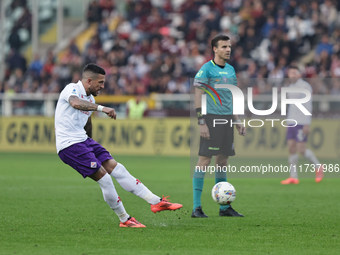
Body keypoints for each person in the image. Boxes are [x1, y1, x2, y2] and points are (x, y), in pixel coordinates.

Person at [55, 63, 182, 228]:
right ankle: (125, 219)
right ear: (88, 81)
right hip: (69, 145)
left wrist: (90, 144)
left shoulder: (90, 98)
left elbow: (88, 122)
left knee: (117, 168)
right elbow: (75, 103)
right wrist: (102, 108)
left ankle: (156, 201)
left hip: (83, 141)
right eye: (100, 82)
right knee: (105, 179)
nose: (103, 86)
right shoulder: (71, 89)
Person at [192, 35, 246, 218]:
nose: (228, 50)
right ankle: (196, 207)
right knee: (204, 160)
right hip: (211, 119)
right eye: (224, 47)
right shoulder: (206, 69)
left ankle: (224, 208)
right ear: (215, 49)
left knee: (222, 161)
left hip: (228, 121)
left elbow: (230, 98)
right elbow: (198, 95)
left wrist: (237, 120)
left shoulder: (231, 70)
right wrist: (201, 122)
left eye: (229, 46)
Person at [281, 66, 324, 184]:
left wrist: (307, 123)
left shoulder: (305, 87)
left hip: (301, 121)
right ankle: (293, 177)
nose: (292, 75)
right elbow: (290, 107)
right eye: (290, 73)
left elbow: (308, 105)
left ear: (299, 74)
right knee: (291, 148)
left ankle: (318, 166)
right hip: (291, 121)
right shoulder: (290, 87)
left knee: (301, 149)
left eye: (295, 73)